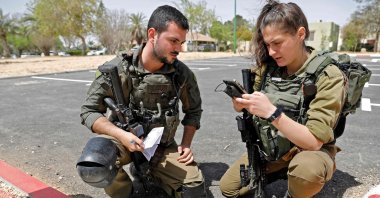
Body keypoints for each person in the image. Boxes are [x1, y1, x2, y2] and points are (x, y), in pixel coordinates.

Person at [219, 1, 345, 198]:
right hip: (273, 149)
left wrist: (272, 112)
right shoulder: (268, 69)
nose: (270, 52)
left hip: (308, 150)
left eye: (277, 43)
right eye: (267, 45)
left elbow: (313, 142)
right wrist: (242, 105)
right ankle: (281, 169)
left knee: (307, 172)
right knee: (228, 188)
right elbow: (252, 106)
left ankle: (302, 183)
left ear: (300, 34)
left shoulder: (328, 75)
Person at [78, 5, 206, 198]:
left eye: (181, 42)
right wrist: (121, 135)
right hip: (124, 140)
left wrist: (186, 145)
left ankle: (151, 171)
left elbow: (194, 111)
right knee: (95, 163)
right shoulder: (116, 70)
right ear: (152, 34)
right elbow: (89, 111)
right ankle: (126, 193)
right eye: (173, 41)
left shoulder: (181, 74)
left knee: (194, 189)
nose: (179, 49)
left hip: (161, 146)